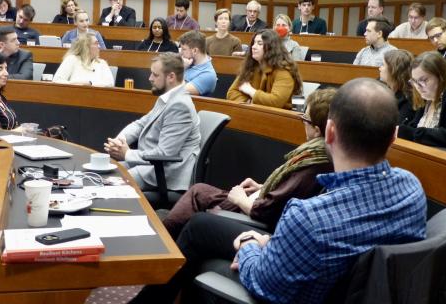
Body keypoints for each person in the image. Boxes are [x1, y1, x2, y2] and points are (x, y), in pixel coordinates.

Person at [129, 78, 427, 304]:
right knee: (200, 225)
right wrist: (271, 241)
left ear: (330, 132)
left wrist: (248, 246)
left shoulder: (308, 217)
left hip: (292, 295)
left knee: (200, 236)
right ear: (394, 136)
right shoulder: (412, 189)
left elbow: (263, 282)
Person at [163, 88, 336, 238]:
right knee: (199, 191)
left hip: (258, 217)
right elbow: (288, 191)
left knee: (198, 192)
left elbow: (267, 212)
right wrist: (262, 187)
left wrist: (240, 199)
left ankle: (163, 245)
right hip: (261, 200)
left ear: (317, 130)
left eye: (305, 119)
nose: (302, 123)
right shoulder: (320, 155)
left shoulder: (313, 162)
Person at [104, 53, 200, 192]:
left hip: (164, 174)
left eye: (155, 75)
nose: (150, 78)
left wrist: (127, 154)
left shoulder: (180, 106)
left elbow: (164, 154)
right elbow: (140, 124)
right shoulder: (168, 97)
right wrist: (120, 141)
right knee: (103, 172)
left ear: (171, 77)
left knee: (108, 185)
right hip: (149, 165)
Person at [226, 29, 301, 109]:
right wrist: (249, 102)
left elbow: (275, 101)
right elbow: (231, 93)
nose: (253, 47)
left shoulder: (284, 71)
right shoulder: (251, 66)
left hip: (282, 117)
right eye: (254, 43)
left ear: (271, 48)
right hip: (255, 113)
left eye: (259, 43)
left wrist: (251, 91)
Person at [379, 49, 419, 124]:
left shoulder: (409, 99)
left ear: (393, 70)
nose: (380, 68)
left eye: (383, 65)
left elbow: (395, 127)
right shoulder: (383, 88)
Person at [179, 30, 217, 96]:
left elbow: (177, 92)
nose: (181, 52)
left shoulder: (207, 74)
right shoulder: (188, 61)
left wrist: (182, 69)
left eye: (183, 49)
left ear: (195, 51)